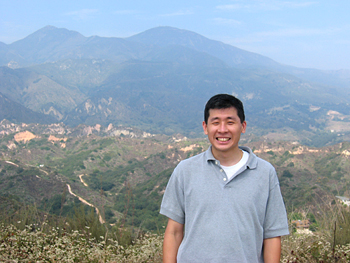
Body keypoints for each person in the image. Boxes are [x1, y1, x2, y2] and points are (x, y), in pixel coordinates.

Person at [160, 94, 289, 263]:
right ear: (205, 127)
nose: (222, 130)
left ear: (242, 126)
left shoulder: (265, 173)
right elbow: (174, 232)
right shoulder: (185, 171)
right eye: (215, 122)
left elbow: (272, 236)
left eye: (230, 122)